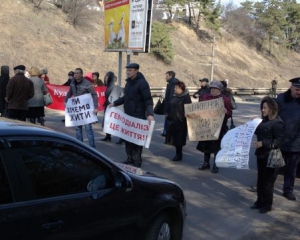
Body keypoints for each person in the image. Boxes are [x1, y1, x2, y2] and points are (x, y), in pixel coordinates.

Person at [110, 63, 154, 168]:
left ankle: (137, 160)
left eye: (130, 70)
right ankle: (129, 158)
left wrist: (149, 114)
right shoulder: (128, 83)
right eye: (127, 70)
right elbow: (126, 97)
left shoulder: (142, 83)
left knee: (137, 139)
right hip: (128, 115)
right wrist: (114, 103)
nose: (128, 72)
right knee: (127, 138)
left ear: (136, 71)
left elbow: (148, 99)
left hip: (138, 116)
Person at [251, 96, 285, 213]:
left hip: (271, 156)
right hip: (261, 155)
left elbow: (279, 141)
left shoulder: (278, 123)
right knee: (260, 180)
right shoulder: (263, 121)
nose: (262, 110)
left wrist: (263, 143)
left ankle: (267, 205)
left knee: (268, 182)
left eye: (265, 108)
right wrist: (253, 124)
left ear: (271, 109)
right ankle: (259, 201)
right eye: (262, 107)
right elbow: (259, 133)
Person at [195, 80, 232, 173]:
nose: (213, 90)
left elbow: (230, 112)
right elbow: (199, 108)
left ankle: (216, 165)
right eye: (212, 88)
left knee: (216, 147)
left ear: (219, 89)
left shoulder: (225, 99)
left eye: (215, 89)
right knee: (206, 146)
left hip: (218, 126)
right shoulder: (205, 97)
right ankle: (206, 163)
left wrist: (226, 112)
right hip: (206, 125)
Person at [276, 77, 300, 201]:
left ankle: (288, 190)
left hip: (295, 142)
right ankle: (265, 188)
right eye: (297, 89)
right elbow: (271, 115)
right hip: (279, 141)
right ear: (291, 87)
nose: (299, 92)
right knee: (272, 167)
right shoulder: (281, 99)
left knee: (291, 169)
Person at [65, 68, 98, 148]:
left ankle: (92, 146)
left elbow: (94, 95)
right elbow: (70, 92)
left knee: (88, 128)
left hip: (86, 109)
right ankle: (80, 146)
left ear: (81, 74)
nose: (75, 75)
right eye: (75, 73)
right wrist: (66, 100)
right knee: (78, 128)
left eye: (77, 73)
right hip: (77, 109)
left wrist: (96, 107)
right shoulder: (72, 82)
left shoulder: (87, 83)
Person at [165, 81, 192, 161]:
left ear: (181, 88)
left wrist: (186, 114)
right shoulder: (174, 96)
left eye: (176, 88)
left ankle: (179, 154)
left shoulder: (186, 97)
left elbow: (189, 109)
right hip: (172, 120)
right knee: (174, 138)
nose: (175, 89)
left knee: (179, 139)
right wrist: (167, 113)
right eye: (175, 88)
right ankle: (178, 153)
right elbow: (170, 106)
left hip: (181, 121)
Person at [101, 71, 117, 142]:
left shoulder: (113, 87)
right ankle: (108, 136)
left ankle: (122, 138)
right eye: (105, 77)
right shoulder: (107, 86)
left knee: (114, 123)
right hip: (107, 106)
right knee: (106, 122)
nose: (105, 78)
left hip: (112, 106)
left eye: (107, 77)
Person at [162, 71, 179, 137]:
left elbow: (170, 96)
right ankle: (167, 133)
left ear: (171, 75)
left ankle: (168, 133)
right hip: (172, 105)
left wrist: (167, 108)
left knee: (169, 120)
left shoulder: (173, 84)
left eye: (167, 76)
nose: (165, 78)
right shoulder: (173, 83)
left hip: (171, 106)